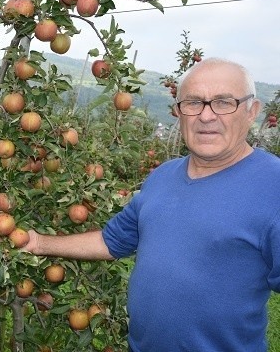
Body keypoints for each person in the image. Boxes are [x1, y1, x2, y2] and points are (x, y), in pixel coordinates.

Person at [24, 57, 280, 351]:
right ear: (178, 112)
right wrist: (40, 243)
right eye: (193, 102)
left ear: (252, 111)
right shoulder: (163, 176)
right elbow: (112, 241)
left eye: (223, 102)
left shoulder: (273, 186)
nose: (206, 116)